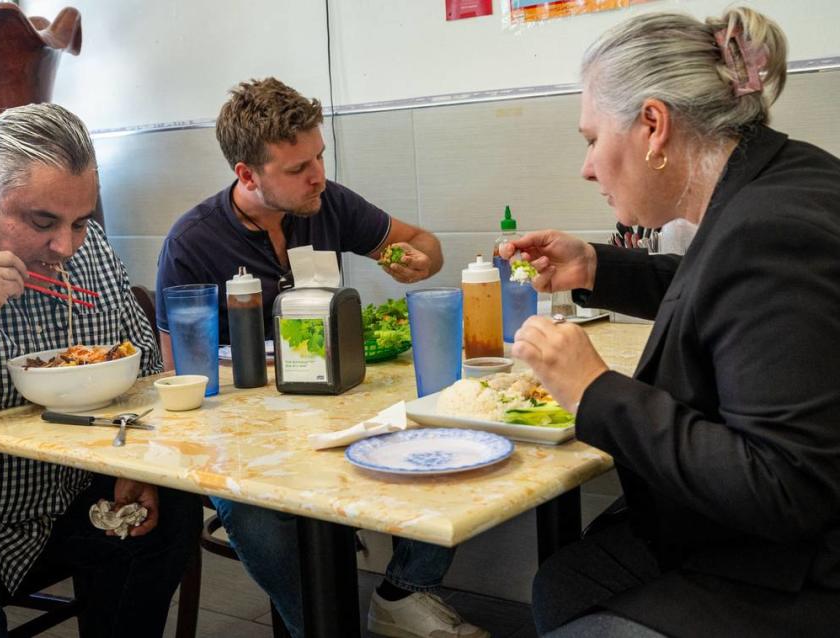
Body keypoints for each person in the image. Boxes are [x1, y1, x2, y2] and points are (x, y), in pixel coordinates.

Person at [500, 7, 840, 637]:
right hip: (770, 539)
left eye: (591, 139)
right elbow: (720, 289)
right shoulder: (779, 177)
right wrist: (594, 264)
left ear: (653, 126)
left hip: (800, 573)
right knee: (564, 582)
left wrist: (594, 390)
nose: (587, 166)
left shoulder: (770, 230)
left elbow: (784, 487)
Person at [156, 78, 488, 638]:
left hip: (337, 405)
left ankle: (401, 593)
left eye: (320, 157)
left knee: (448, 438)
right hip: (244, 432)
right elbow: (180, 375)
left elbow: (424, 243)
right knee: (255, 513)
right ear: (247, 174)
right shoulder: (192, 242)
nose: (318, 176)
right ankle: (320, 624)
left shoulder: (327, 203)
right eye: (297, 168)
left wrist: (417, 262)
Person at [0, 103, 202, 637]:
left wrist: (132, 467)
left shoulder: (87, 248)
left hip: (61, 493)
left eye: (80, 222)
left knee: (170, 515)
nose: (65, 247)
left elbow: (143, 369)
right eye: (43, 222)